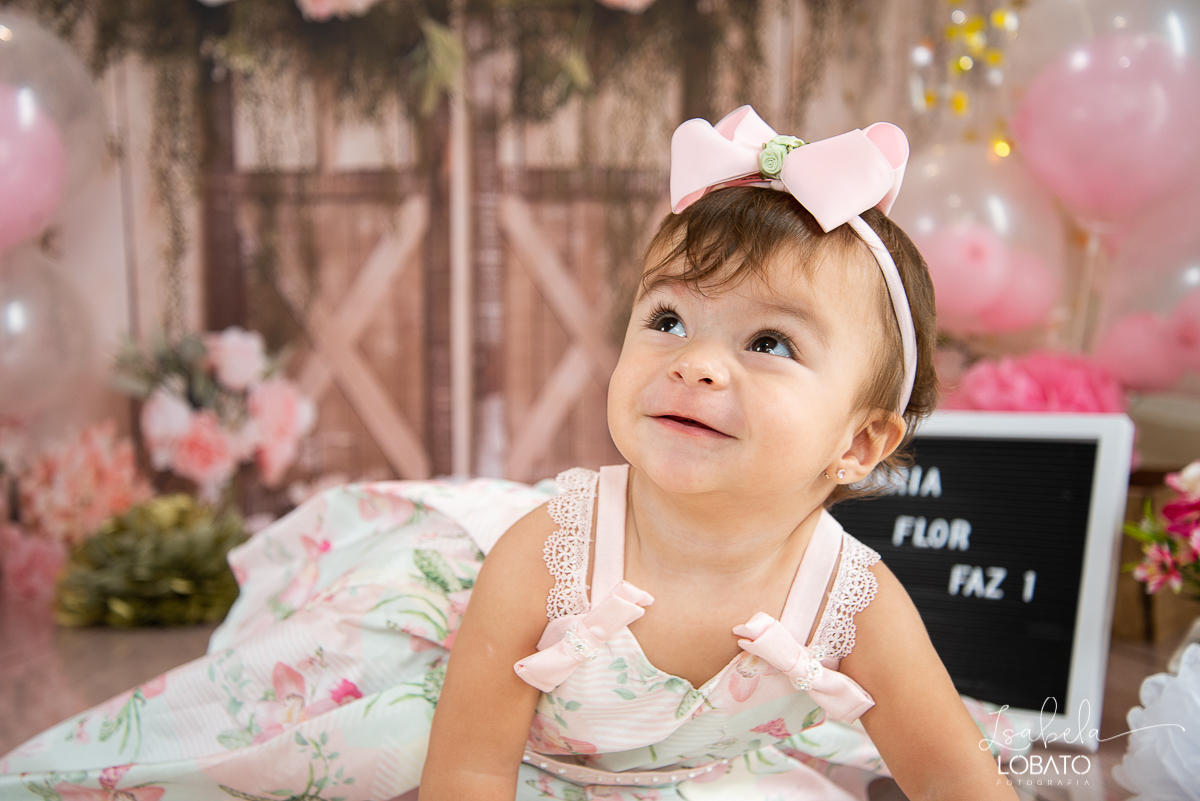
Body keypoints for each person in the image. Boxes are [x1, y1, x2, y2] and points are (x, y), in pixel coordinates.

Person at [0, 107, 1019, 800]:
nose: (700, 366)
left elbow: (955, 779)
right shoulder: (549, 553)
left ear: (859, 441)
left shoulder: (856, 601)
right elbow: (469, 773)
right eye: (667, 320)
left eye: (769, 343)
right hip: (509, 748)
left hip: (688, 766)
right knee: (316, 742)